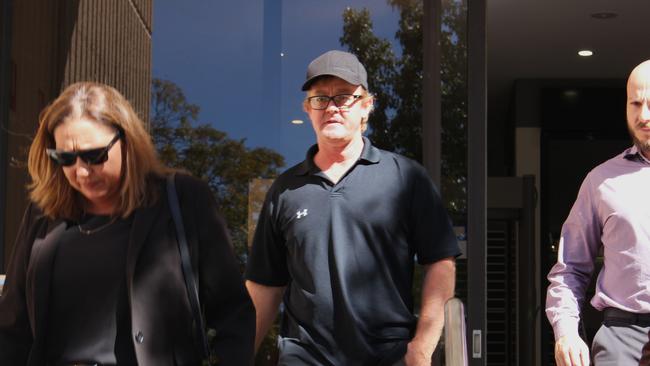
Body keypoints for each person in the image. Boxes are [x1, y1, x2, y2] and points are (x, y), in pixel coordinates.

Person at [0, 82, 255, 365]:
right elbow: (13, 327)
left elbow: (233, 313)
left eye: (94, 155)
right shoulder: (43, 214)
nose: (82, 171)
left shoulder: (183, 199)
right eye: (66, 158)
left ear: (127, 140)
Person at [245, 50, 460, 366]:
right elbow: (265, 285)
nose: (331, 107)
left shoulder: (406, 177)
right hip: (304, 358)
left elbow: (440, 262)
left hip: (386, 357)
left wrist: (422, 347)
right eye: (320, 98)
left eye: (344, 97)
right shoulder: (286, 189)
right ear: (308, 109)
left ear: (366, 107)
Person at [546, 60, 650, 366]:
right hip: (622, 339)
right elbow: (569, 270)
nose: (643, 115)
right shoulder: (600, 181)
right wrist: (566, 332)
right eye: (635, 103)